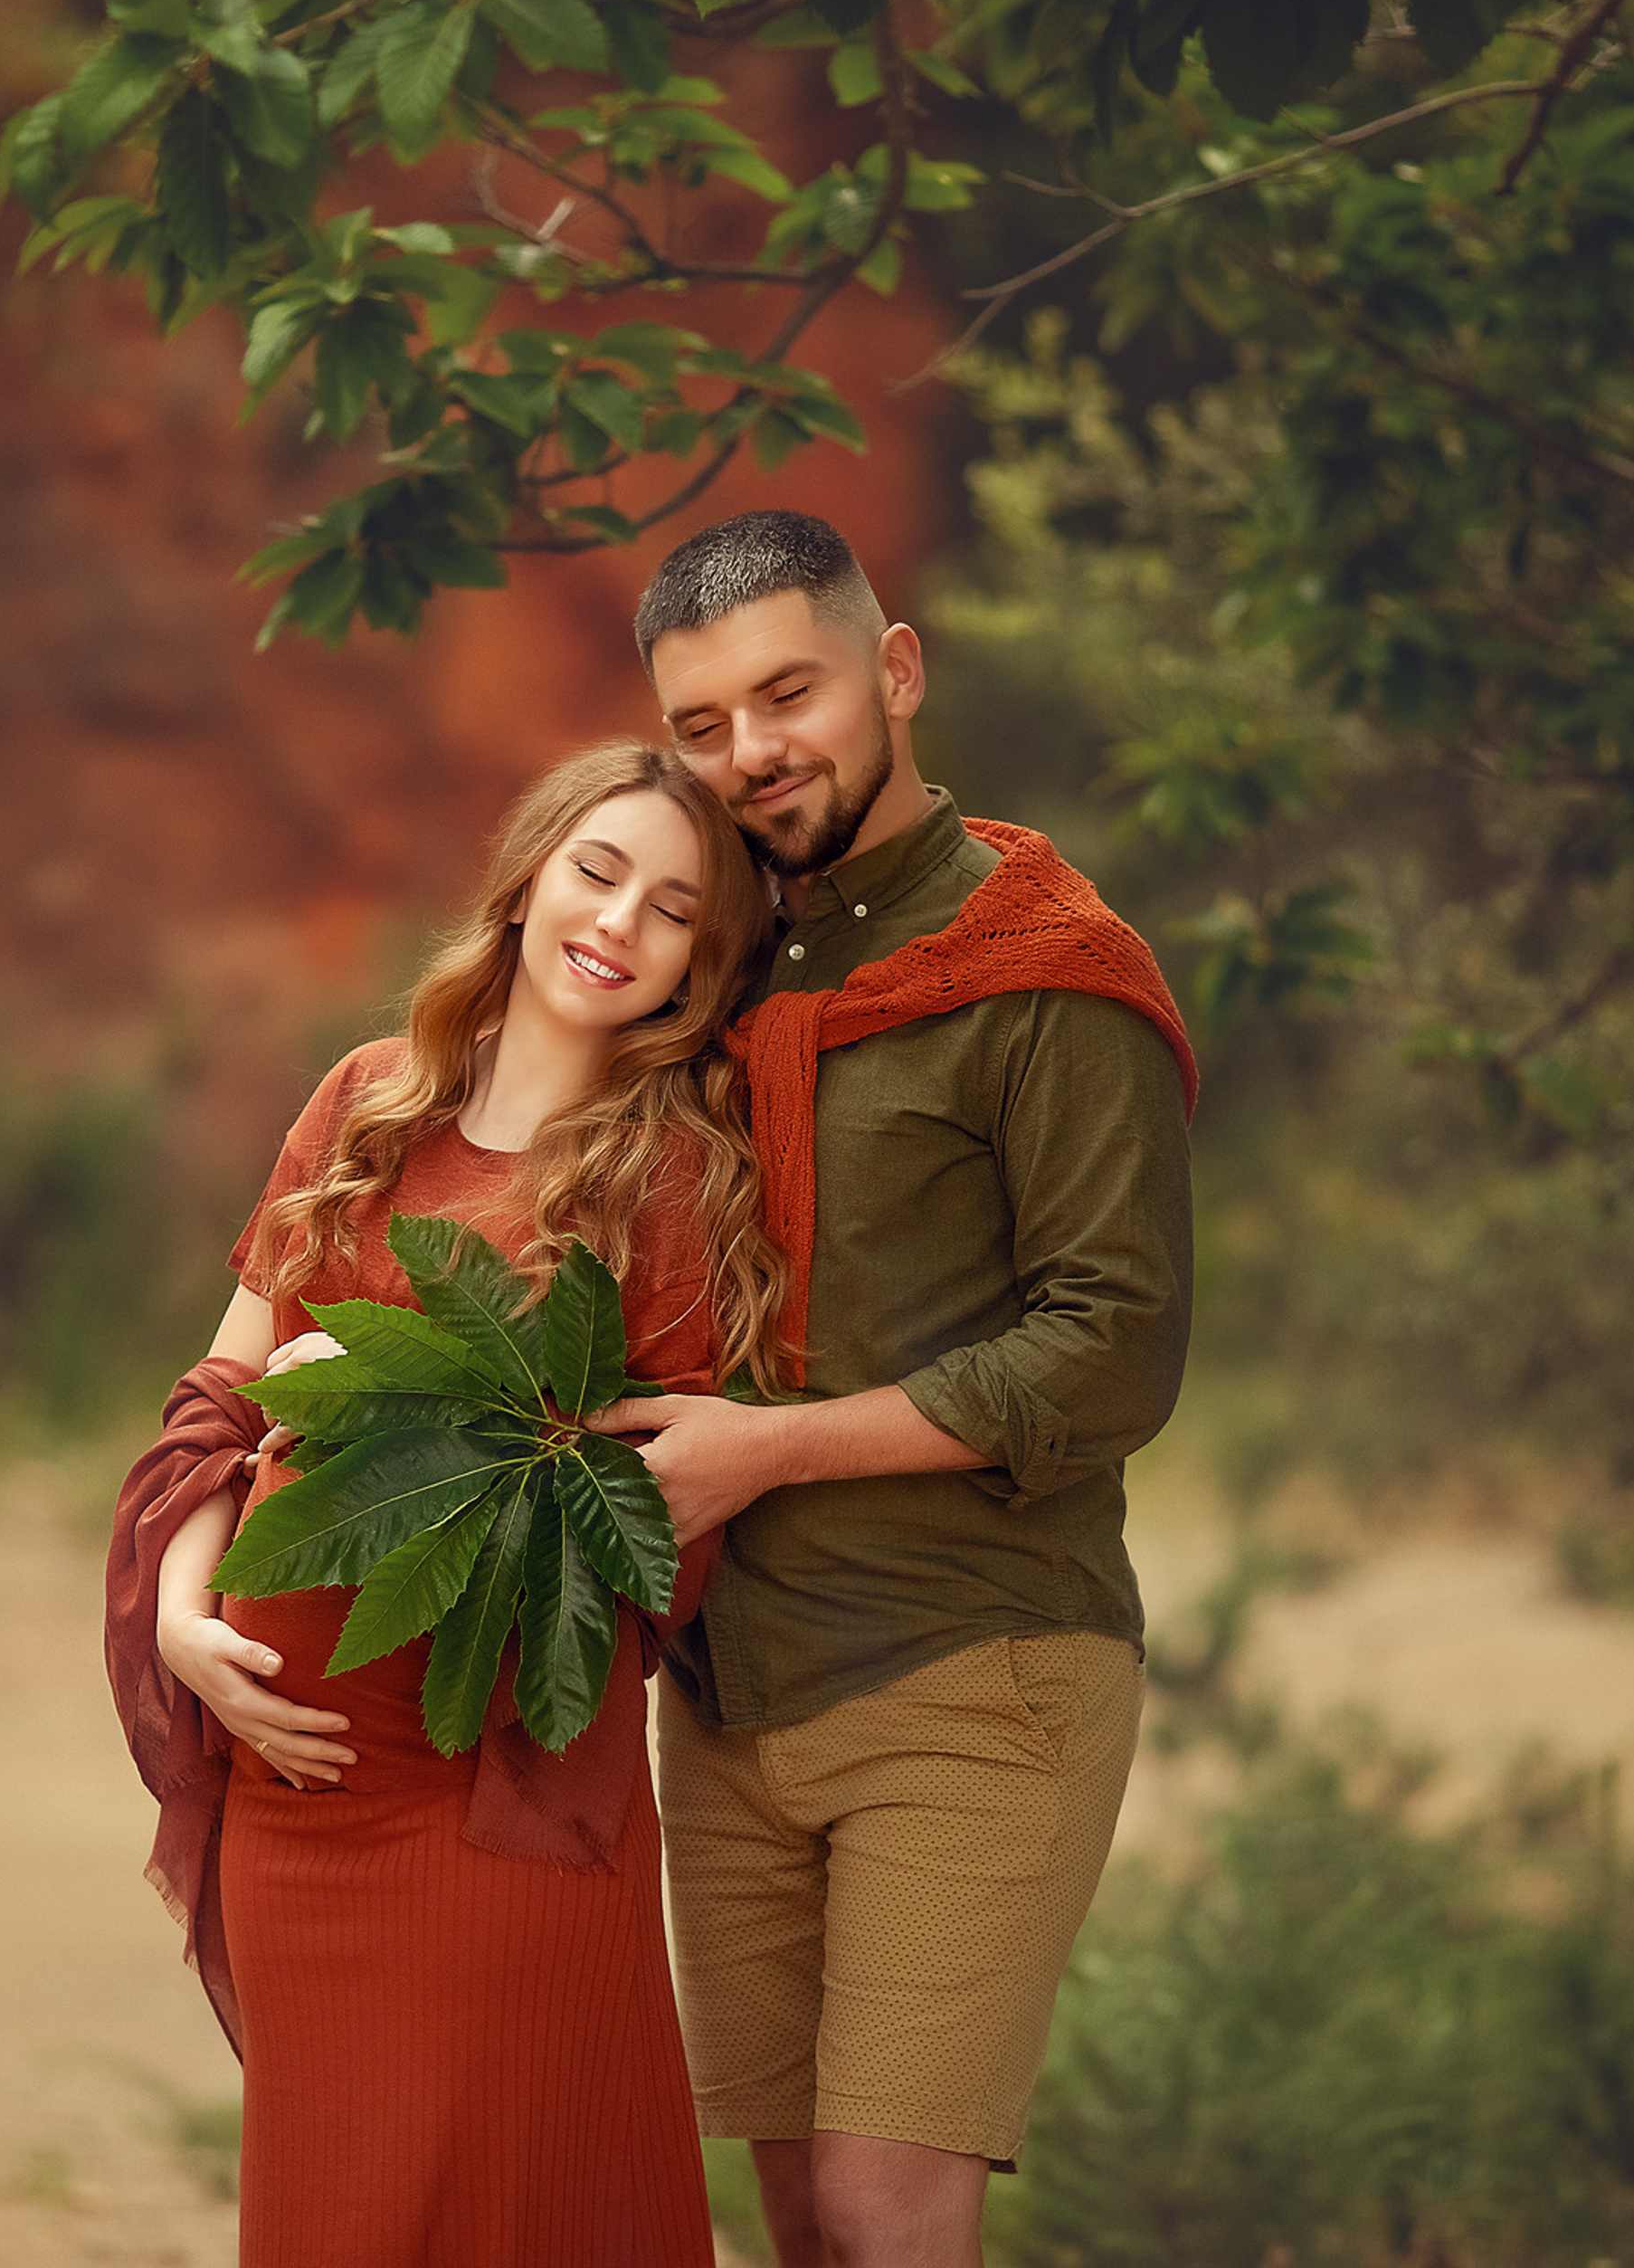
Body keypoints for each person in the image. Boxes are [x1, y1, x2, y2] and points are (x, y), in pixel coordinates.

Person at [586, 511, 1199, 2268]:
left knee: (883, 2212)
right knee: (795, 2225)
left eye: (787, 691)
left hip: (973, 1660)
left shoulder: (1045, 970)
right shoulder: (711, 968)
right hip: (729, 1690)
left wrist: (767, 1449)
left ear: (894, 670)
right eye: (699, 723)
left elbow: (1109, 1346)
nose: (749, 749)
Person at [104, 741, 793, 2267]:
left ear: (704, 958)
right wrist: (184, 1614)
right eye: (598, 872)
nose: (617, 924)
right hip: (296, 1800)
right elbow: (222, 1398)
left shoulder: (672, 1179)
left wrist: (394, 1383)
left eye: (674, 909)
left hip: (498, 1801)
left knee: (523, 2206)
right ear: (532, 872)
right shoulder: (369, 1099)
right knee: (337, 2217)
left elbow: (649, 1528)